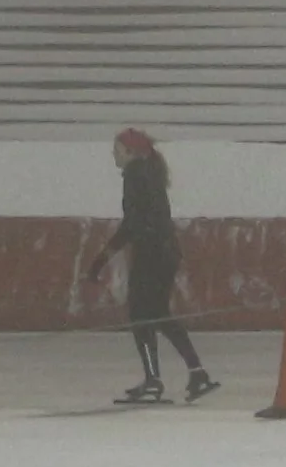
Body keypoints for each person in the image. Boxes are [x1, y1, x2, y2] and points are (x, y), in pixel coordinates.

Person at [85, 128, 217, 406]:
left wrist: (101, 259)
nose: (113, 155)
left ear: (129, 151)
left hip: (151, 255)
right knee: (159, 314)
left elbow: (132, 224)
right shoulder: (150, 172)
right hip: (166, 253)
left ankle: (153, 380)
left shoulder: (135, 174)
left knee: (141, 316)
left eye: (117, 150)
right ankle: (197, 372)